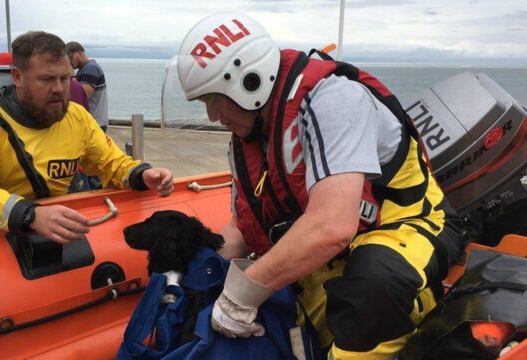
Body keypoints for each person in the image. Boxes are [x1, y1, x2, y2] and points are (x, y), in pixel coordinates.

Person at [175, 13, 464, 359]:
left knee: (371, 288)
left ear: (248, 81)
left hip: (404, 226)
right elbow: (242, 227)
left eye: (214, 99)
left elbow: (332, 226)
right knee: (285, 322)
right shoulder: (244, 141)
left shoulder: (334, 100)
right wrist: (192, 273)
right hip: (331, 256)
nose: (212, 115)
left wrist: (242, 293)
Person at [0, 31, 174, 244]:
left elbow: (112, 163)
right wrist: (31, 215)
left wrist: (142, 174)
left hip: (56, 231)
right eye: (46, 79)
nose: (59, 89)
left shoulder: (76, 117)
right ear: (17, 77)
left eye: (66, 78)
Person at [65, 41, 109, 132]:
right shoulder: (86, 69)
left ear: (80, 53)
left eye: (70, 57)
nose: (68, 61)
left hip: (94, 122)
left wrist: (72, 75)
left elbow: (82, 95)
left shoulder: (90, 69)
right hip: (94, 121)